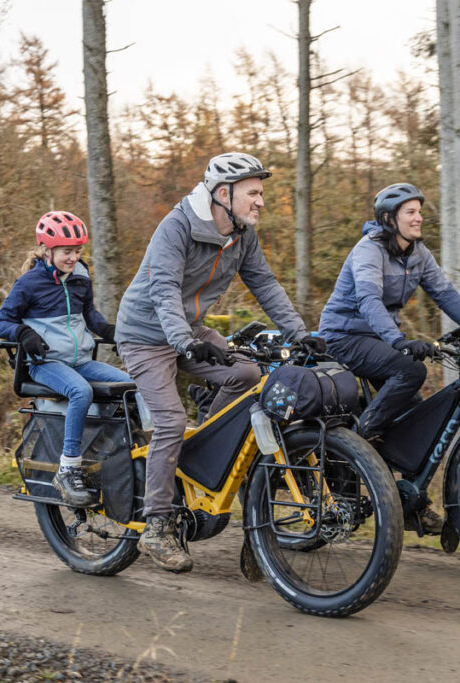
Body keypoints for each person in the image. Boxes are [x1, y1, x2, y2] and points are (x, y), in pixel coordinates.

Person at [115, 152, 325, 573]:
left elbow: (263, 282)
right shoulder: (175, 228)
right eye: (254, 193)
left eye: (262, 193)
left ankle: (199, 453)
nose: (261, 201)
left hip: (189, 331)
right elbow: (164, 292)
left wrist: (300, 333)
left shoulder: (241, 234)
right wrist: (185, 343)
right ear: (223, 194)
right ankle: (157, 524)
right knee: (171, 421)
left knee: (247, 374)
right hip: (145, 337)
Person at [318, 182, 460, 534]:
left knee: (415, 418)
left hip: (381, 339)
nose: (419, 217)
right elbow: (369, 301)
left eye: (420, 211)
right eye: (411, 212)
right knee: (410, 371)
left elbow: (446, 295)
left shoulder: (418, 253)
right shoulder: (369, 251)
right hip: (344, 336)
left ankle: (409, 504)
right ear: (390, 219)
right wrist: (400, 341)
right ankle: (360, 441)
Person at [0, 211, 131, 508]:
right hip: (45, 364)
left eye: (78, 250)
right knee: (80, 390)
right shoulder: (29, 283)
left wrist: (108, 330)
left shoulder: (80, 276)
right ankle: (68, 469)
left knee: (134, 386)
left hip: (80, 360)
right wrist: (23, 333)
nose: (73, 257)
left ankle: (112, 452)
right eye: (67, 251)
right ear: (47, 250)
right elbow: (1, 321)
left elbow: (89, 314)